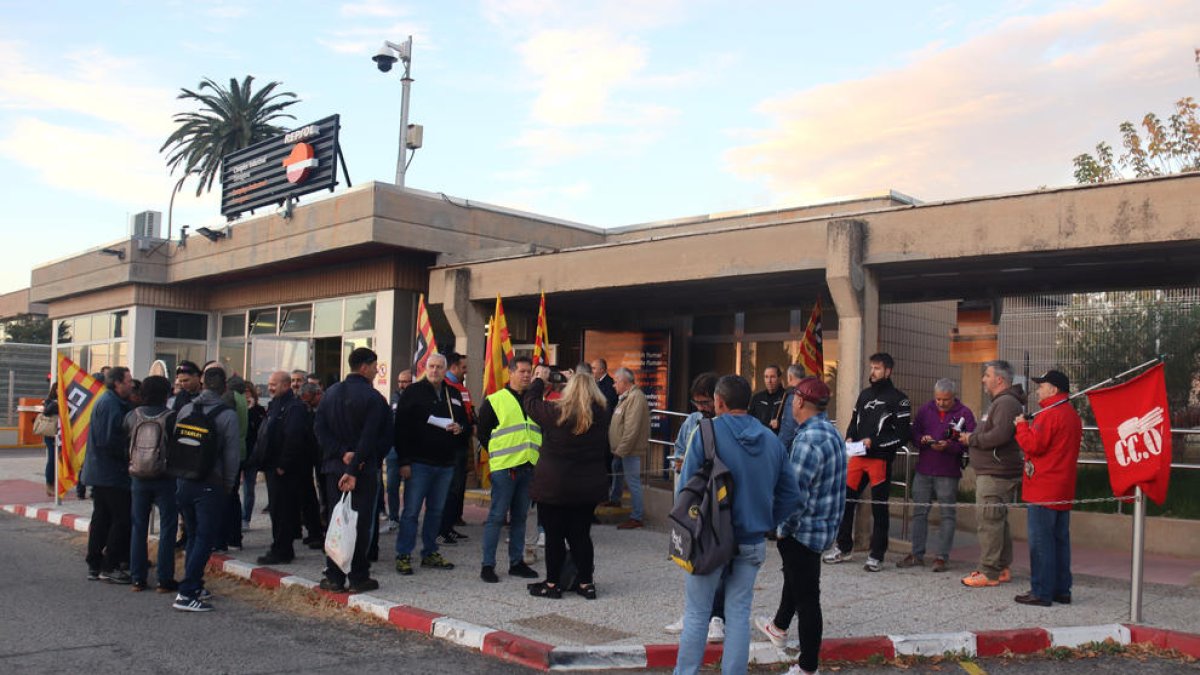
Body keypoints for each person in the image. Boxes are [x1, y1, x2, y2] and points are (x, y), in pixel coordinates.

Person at [674, 375, 801, 675]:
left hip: (708, 538)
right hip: (753, 539)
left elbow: (684, 489)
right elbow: (791, 494)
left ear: (719, 402)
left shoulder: (706, 432)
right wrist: (767, 520)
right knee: (738, 614)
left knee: (697, 614)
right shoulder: (772, 440)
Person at [756, 377, 847, 675]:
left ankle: (808, 667)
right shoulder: (831, 432)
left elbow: (794, 495)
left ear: (799, 402)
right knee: (795, 579)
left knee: (808, 598)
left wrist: (783, 529)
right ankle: (779, 626)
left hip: (804, 529)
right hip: (824, 526)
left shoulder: (808, 439)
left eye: (793, 400)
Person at [522, 364, 609, 598]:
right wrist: (579, 378)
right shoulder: (601, 414)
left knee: (554, 536)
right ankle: (585, 584)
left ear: (568, 390)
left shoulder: (556, 413)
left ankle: (552, 584)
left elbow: (529, 403)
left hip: (555, 486)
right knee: (580, 535)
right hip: (587, 488)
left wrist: (540, 379)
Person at [314, 347, 391, 593]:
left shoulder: (329, 394)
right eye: (375, 366)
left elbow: (320, 430)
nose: (377, 371)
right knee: (360, 524)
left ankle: (334, 576)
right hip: (362, 471)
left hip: (335, 470)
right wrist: (355, 463)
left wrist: (341, 453)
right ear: (364, 367)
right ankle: (358, 576)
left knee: (337, 522)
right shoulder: (374, 398)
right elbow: (376, 438)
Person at [823, 353, 910, 573]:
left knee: (879, 508)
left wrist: (875, 442)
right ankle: (843, 547)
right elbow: (854, 422)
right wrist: (850, 437)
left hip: (879, 461)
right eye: (871, 367)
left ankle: (876, 554)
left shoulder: (900, 399)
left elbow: (902, 435)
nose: (873, 372)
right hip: (857, 458)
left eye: (878, 368)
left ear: (888, 371)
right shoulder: (864, 395)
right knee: (846, 502)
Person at [664, 371, 728, 642]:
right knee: (691, 557)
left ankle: (716, 617)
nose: (701, 408)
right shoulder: (692, 421)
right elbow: (679, 451)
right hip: (692, 499)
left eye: (705, 403)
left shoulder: (726, 425)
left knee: (718, 564)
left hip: (719, 501)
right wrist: (678, 462)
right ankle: (693, 612)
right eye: (697, 403)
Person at [393, 353, 469, 575]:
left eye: (439, 367)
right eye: (431, 366)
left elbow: (464, 420)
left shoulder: (452, 393)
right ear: (425, 368)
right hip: (418, 463)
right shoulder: (413, 392)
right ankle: (404, 554)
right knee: (411, 512)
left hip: (445, 463)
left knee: (436, 511)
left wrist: (460, 428)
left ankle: (430, 552)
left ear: (446, 370)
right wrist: (404, 461)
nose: (435, 370)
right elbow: (401, 428)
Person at [1013, 369, 1082, 606]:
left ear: (1053, 389)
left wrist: (1021, 426)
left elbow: (1034, 445)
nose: (1038, 390)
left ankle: (1041, 591)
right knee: (1060, 541)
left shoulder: (1049, 413)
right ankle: (1062, 589)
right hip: (1063, 486)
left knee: (1041, 542)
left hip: (1044, 488)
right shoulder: (1071, 414)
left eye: (1042, 386)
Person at [174, 366, 240, 611]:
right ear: (224, 387)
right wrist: (229, 485)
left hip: (183, 481)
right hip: (210, 484)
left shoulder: (185, 409)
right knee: (204, 538)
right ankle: (187, 592)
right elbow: (232, 457)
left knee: (192, 535)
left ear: (202, 384)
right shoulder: (227, 415)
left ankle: (195, 583)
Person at [959, 359, 1026, 588]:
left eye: (986, 375)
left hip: (996, 473)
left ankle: (989, 572)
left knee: (988, 521)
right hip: (994, 471)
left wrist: (972, 439)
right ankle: (1002, 567)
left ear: (999, 379)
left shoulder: (1006, 403)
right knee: (997, 521)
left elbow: (1000, 435)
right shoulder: (1002, 402)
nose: (983, 380)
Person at [897, 379, 976, 572]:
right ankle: (917, 553)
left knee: (947, 514)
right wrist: (921, 440)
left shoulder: (964, 413)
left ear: (953, 397)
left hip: (948, 471)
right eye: (938, 399)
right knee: (919, 512)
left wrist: (949, 446)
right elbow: (914, 433)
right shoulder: (925, 410)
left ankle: (942, 557)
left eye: (945, 400)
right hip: (924, 468)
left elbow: (970, 440)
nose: (941, 403)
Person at [476, 355, 542, 584]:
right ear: (511, 373)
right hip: (505, 469)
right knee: (496, 517)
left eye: (529, 372)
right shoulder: (495, 400)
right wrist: (497, 455)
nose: (526, 375)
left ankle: (516, 562)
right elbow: (483, 432)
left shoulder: (533, 401)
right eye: (522, 371)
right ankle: (488, 565)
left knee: (521, 518)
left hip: (528, 467)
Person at [125, 375, 179, 593]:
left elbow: (123, 444)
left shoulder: (132, 416)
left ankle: (137, 578)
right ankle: (164, 580)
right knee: (168, 528)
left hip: (138, 477)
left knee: (138, 527)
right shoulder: (172, 417)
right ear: (166, 394)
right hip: (165, 478)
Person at [256, 371, 316, 565]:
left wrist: (283, 465)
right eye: (270, 384)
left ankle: (282, 549)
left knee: (283, 510)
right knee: (277, 509)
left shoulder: (294, 408)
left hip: (285, 470)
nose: (271, 387)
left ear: (286, 385)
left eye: (274, 384)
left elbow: (294, 438)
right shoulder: (276, 406)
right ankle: (280, 546)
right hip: (273, 467)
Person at [82, 366, 135, 584]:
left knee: (102, 519)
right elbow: (109, 441)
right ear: (117, 383)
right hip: (111, 473)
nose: (131, 385)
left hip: (102, 472)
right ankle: (109, 565)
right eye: (128, 381)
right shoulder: (111, 405)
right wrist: (129, 456)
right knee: (121, 519)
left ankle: (95, 564)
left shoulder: (111, 402)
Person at [608, 367, 650, 530]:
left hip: (629, 449)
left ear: (625, 382)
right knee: (616, 470)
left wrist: (622, 450)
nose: (614, 385)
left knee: (633, 482)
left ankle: (637, 517)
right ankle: (615, 498)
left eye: (616, 382)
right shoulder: (626, 397)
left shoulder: (635, 398)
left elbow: (632, 429)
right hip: (621, 449)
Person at [439, 352, 474, 544]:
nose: (466, 370)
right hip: (451, 446)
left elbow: (466, 413)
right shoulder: (447, 388)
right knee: (450, 488)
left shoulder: (460, 388)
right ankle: (442, 528)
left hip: (462, 441)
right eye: (463, 367)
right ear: (453, 367)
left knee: (458, 487)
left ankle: (450, 524)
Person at [383, 369, 414, 531]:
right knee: (392, 485)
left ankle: (408, 519)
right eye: (400, 381)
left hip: (411, 449)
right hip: (394, 449)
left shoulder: (417, 398)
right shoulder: (394, 398)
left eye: (406, 381)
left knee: (411, 487)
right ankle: (393, 518)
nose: (402, 385)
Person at [242, 382, 266, 531]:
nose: (246, 395)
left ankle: (246, 518)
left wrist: (250, 409)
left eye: (248, 392)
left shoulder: (258, 410)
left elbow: (259, 430)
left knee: (248, 488)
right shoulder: (236, 409)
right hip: (239, 453)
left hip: (252, 453)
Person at [748, 365, 787, 431]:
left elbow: (792, 423)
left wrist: (780, 424)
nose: (769, 381)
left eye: (772, 377)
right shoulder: (757, 398)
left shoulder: (786, 397)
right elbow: (749, 420)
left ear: (780, 378)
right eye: (766, 377)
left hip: (778, 439)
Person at [777, 365, 806, 451]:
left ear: (790, 377)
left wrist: (780, 448)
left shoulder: (793, 396)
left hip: (792, 448)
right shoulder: (808, 393)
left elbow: (789, 426)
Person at [41, 380, 59, 497]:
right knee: (52, 459)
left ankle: (58, 484)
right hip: (51, 434)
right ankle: (49, 484)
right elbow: (46, 412)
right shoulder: (50, 401)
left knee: (60, 460)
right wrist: (55, 403)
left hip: (61, 434)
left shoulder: (67, 401)